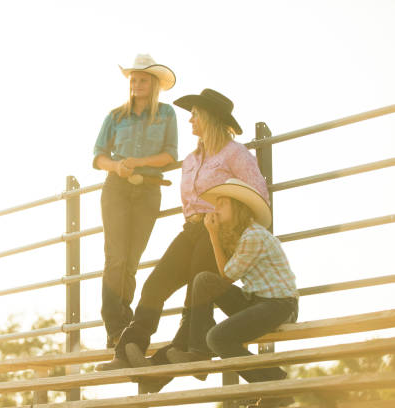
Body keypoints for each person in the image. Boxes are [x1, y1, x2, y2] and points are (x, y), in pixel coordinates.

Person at [97, 89, 269, 386]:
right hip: (190, 228)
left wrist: (228, 225)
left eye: (195, 114)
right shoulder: (191, 159)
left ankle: (188, 351)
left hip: (219, 230)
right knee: (155, 285)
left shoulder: (235, 154)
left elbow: (258, 195)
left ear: (209, 119)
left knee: (196, 290)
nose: (190, 120)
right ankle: (129, 348)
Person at [165, 178, 299, 408]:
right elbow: (222, 275)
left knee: (217, 338)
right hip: (257, 301)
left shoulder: (253, 236)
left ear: (237, 207)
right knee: (203, 281)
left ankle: (276, 382)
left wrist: (213, 235)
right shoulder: (243, 237)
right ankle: (198, 350)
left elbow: (227, 275)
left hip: (280, 305)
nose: (215, 209)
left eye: (222, 204)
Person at [93, 54, 178, 349]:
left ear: (153, 83)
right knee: (115, 257)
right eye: (133, 80)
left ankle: (123, 323)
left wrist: (138, 161)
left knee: (131, 261)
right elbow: (99, 156)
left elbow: (170, 155)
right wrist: (117, 167)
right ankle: (115, 325)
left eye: (142, 80)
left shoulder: (166, 114)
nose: (137, 84)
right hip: (116, 187)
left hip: (149, 189)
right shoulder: (115, 116)